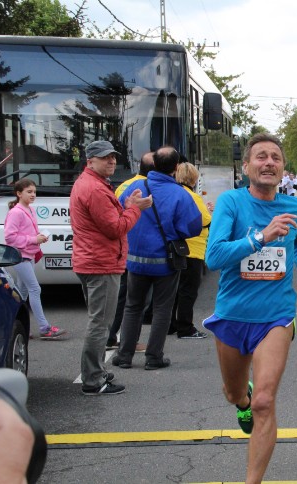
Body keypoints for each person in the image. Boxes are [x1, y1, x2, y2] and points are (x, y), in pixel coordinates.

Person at [203, 133, 297, 484]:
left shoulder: (294, 206)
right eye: (261, 156)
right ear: (247, 166)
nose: (269, 162)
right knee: (235, 394)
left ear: (283, 168)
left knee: (264, 402)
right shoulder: (231, 202)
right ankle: (242, 401)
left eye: (275, 158)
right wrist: (260, 237)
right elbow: (213, 257)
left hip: (276, 316)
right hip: (233, 313)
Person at [70, 140, 152, 395]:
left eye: (113, 157)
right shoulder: (95, 188)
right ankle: (94, 380)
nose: (112, 161)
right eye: (105, 157)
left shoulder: (90, 183)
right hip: (101, 263)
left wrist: (128, 207)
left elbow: (109, 221)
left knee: (99, 322)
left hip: (93, 260)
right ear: (90, 161)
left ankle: (95, 373)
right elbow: (115, 228)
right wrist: (134, 209)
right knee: (100, 324)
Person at [111, 146, 202, 370]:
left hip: (135, 259)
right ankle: (154, 357)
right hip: (165, 261)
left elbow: (118, 211)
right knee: (162, 308)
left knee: (133, 306)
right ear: (176, 167)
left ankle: (124, 356)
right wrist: (174, 232)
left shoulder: (135, 187)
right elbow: (193, 226)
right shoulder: (180, 194)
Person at [4, 178, 66, 340]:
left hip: (29, 255)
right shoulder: (16, 212)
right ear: (19, 193)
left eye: (34, 192)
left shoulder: (30, 210)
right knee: (34, 289)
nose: (33, 195)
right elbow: (9, 238)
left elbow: (26, 233)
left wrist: (39, 238)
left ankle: (16, 326)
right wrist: (34, 239)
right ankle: (44, 328)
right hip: (21, 257)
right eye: (29, 192)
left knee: (21, 293)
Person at [107, 151, 155, 350]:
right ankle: (129, 341)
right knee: (137, 301)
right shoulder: (152, 186)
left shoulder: (125, 185)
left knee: (123, 297)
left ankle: (111, 336)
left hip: (125, 247)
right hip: (142, 250)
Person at [169, 162, 212, 339]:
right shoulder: (193, 196)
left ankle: (170, 324)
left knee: (175, 290)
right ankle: (185, 327)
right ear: (194, 178)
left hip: (176, 247)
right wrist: (209, 211)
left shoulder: (172, 193)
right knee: (188, 291)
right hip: (192, 248)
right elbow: (205, 220)